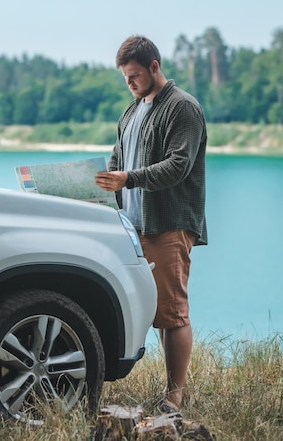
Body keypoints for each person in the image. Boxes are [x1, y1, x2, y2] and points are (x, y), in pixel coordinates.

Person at [95, 35, 207, 413]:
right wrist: (97, 185)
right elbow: (116, 160)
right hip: (133, 226)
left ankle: (175, 395)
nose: (129, 82)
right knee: (154, 310)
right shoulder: (131, 109)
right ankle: (171, 389)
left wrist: (129, 178)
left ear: (154, 67)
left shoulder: (183, 107)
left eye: (134, 75)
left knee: (173, 313)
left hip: (169, 224)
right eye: (125, 77)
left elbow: (179, 165)